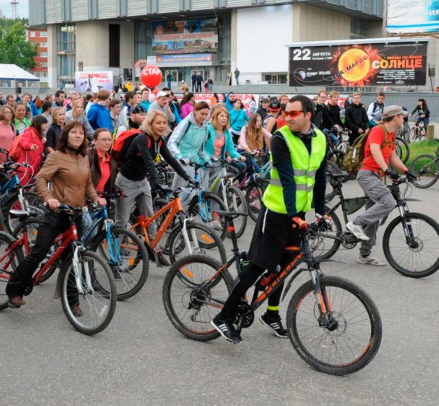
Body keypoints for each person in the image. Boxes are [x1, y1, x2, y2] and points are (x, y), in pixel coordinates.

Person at [211, 95, 329, 344]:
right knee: (257, 267)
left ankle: (271, 314)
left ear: (308, 115)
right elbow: (286, 180)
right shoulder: (280, 138)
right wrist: (291, 215)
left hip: (297, 214)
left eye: (294, 113)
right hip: (276, 212)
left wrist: (320, 211)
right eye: (286, 113)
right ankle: (224, 316)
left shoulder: (320, 139)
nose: (287, 118)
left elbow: (319, 177)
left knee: (284, 267)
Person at [5, 120, 106, 309]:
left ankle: (72, 302)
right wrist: (48, 198)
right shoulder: (57, 156)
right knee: (38, 253)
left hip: (75, 214)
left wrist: (95, 197)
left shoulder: (85, 157)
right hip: (57, 213)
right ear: (66, 135)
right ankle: (14, 289)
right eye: (73, 132)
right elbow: (41, 179)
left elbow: (88, 183)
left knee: (72, 257)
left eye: (81, 133)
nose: (78, 135)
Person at [114, 110, 191, 265]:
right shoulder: (142, 139)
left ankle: (154, 251)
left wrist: (187, 177)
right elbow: (149, 162)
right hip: (126, 182)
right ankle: (114, 259)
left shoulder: (159, 140)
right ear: (150, 124)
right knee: (121, 222)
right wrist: (156, 183)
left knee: (150, 218)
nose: (162, 126)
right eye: (158, 123)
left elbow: (171, 160)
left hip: (142, 182)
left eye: (164, 123)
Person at [346, 106, 416, 266]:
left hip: (376, 176)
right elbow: (374, 150)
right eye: (402, 116)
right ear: (395, 117)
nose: (404, 119)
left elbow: (392, 155)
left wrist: (406, 171)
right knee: (388, 202)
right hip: (367, 174)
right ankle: (355, 223)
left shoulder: (392, 134)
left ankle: (364, 255)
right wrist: (386, 170)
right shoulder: (378, 130)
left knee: (374, 217)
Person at [168, 101, 211, 193]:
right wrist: (180, 156)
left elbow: (201, 149)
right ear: (195, 111)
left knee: (196, 192)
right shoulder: (186, 123)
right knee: (179, 193)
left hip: (193, 163)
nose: (204, 117)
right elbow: (172, 142)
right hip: (180, 162)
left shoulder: (205, 127)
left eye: (206, 114)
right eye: (202, 113)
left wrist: (207, 159)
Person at [16, 115, 46, 185]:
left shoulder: (39, 135)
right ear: (39, 124)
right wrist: (30, 146)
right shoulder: (29, 132)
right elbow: (23, 142)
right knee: (22, 191)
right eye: (44, 123)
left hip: (33, 168)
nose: (46, 125)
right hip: (25, 168)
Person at [89, 128, 117, 197]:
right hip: (86, 198)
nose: (107, 143)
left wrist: (116, 189)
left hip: (101, 200)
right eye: (104, 140)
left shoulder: (112, 162)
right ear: (95, 141)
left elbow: (108, 183)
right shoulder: (88, 155)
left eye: (109, 140)